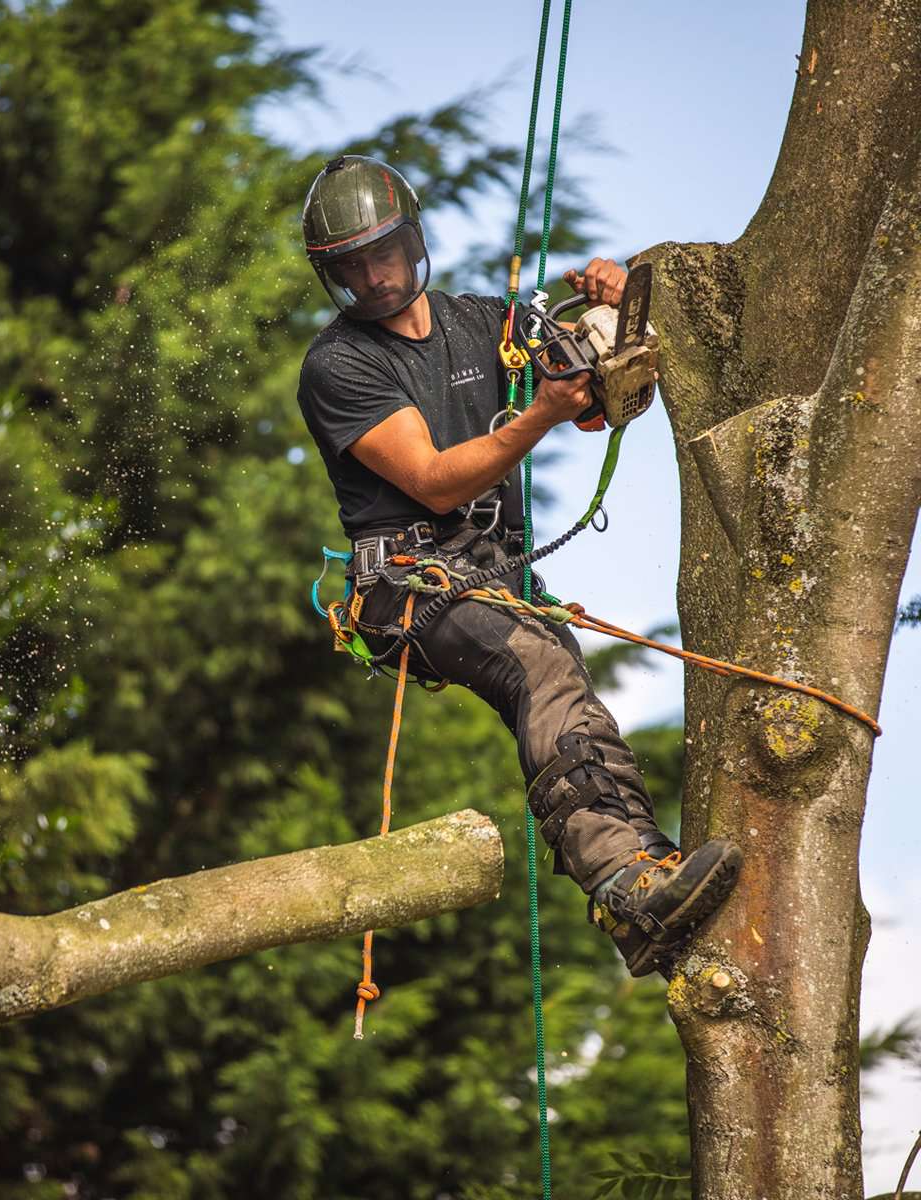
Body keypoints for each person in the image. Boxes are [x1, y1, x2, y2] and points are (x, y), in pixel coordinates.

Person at [296, 154, 742, 977]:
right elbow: (432, 482)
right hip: (407, 583)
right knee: (538, 663)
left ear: (413, 238)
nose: (372, 275)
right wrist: (540, 410)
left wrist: (618, 308)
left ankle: (641, 893)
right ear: (333, 276)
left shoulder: (488, 324)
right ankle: (626, 879)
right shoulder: (339, 366)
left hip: (494, 574)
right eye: (350, 266)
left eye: (381, 252)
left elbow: (600, 398)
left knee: (565, 686)